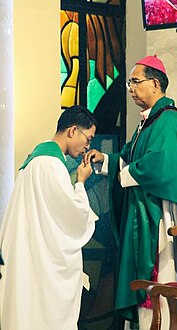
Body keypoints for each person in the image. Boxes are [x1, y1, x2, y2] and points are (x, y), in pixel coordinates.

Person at [84, 55, 177, 329]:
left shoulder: (168, 121)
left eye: (136, 81)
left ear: (155, 84)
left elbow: (160, 165)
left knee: (158, 276)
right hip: (144, 211)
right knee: (145, 281)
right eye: (129, 83)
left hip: (158, 217)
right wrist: (107, 161)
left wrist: (124, 174)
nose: (131, 88)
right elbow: (131, 157)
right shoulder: (150, 122)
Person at [0, 105, 98, 330]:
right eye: (88, 138)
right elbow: (74, 217)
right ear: (73, 131)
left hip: (27, 254)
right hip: (41, 262)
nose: (88, 147)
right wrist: (81, 182)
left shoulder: (36, 160)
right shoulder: (51, 165)